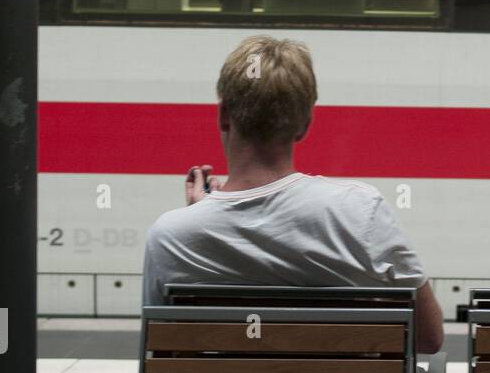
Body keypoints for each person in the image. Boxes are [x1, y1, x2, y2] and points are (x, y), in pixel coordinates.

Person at [142, 34, 444, 352]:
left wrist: (198, 220)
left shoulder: (170, 236)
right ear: (305, 124)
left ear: (223, 115)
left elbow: (159, 346)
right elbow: (428, 337)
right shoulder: (360, 210)